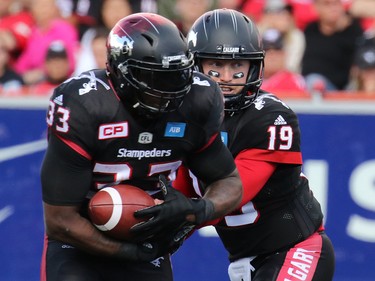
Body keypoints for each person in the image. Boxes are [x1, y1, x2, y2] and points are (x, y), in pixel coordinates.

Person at [40, 12, 243, 281]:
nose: (168, 90)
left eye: (176, 76)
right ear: (121, 72)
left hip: (146, 240)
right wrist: (131, 253)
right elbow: (59, 220)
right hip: (77, 239)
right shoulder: (85, 105)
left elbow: (229, 180)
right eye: (155, 78)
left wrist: (196, 210)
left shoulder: (198, 99)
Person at [175, 8, 335, 281]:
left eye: (237, 66)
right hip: (245, 261)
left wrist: (180, 214)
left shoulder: (270, 116)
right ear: (195, 65)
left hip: (296, 249)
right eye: (215, 64)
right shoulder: (185, 117)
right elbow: (182, 188)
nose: (226, 76)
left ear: (253, 66)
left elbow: (235, 192)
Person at [301, 0, 363, 92]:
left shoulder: (353, 30)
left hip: (345, 90)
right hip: (311, 88)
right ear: (316, 8)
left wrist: (342, 27)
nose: (333, 8)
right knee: (313, 81)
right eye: (327, 4)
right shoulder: (310, 30)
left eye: (336, 3)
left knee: (314, 80)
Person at [261, 28, 307, 94]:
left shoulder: (294, 81)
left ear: (284, 54)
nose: (272, 53)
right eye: (266, 49)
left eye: (277, 49)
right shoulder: (250, 80)